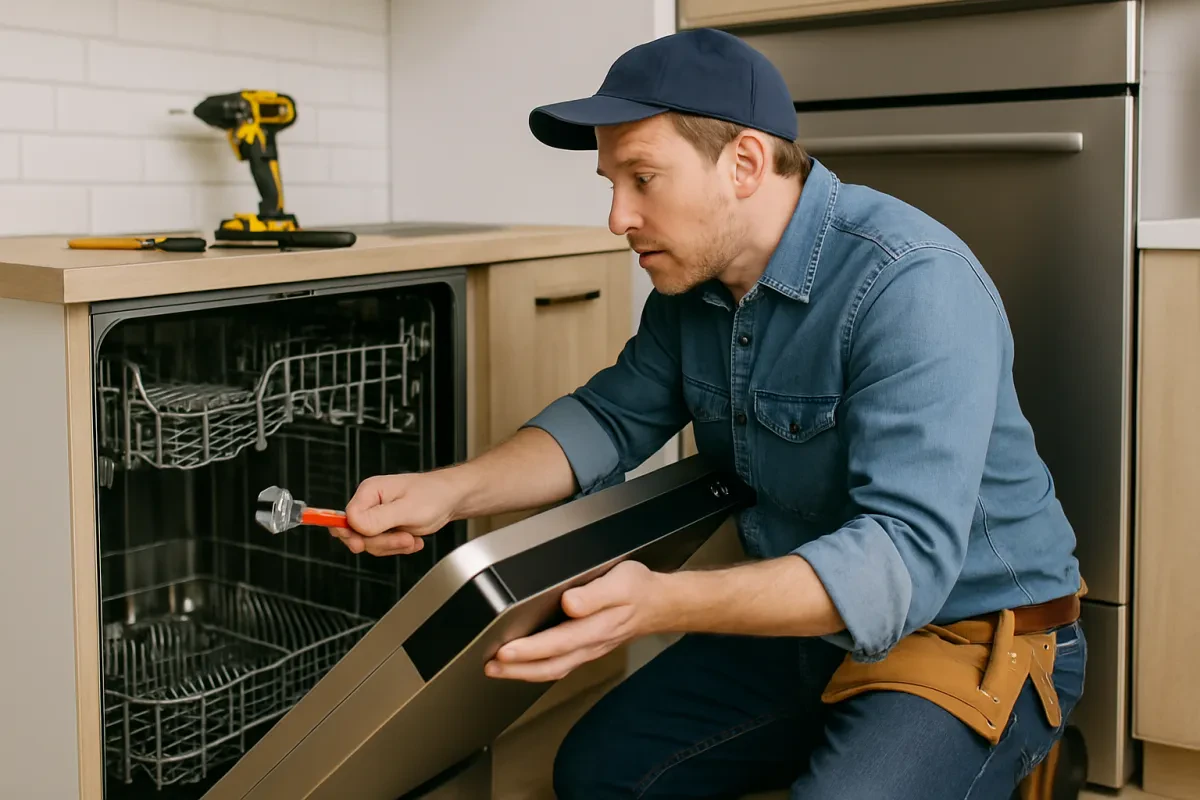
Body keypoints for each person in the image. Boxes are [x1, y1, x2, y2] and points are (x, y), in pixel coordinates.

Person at [332, 28, 1087, 800]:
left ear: (746, 163)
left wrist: (658, 603)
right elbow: (606, 419)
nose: (617, 216)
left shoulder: (911, 283)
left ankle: (1025, 756)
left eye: (643, 178)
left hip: (970, 635)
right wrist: (447, 491)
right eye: (610, 182)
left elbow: (899, 563)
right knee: (597, 775)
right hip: (806, 626)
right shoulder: (694, 289)